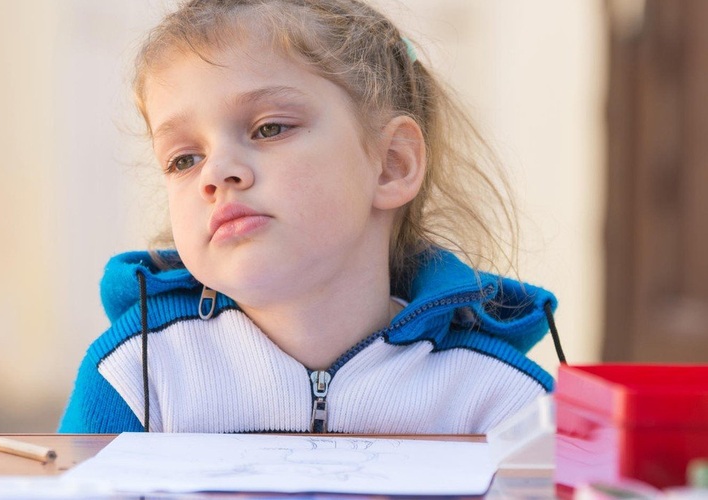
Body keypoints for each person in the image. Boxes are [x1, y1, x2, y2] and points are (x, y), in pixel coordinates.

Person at [58, 0, 561, 434]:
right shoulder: (136, 375)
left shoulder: (502, 401)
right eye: (183, 159)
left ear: (391, 164)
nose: (216, 173)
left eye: (269, 128)